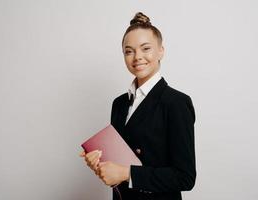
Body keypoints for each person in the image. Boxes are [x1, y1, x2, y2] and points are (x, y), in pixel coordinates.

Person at [80, 12, 196, 200]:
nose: (137, 57)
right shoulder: (119, 104)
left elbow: (185, 177)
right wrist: (101, 166)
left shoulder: (176, 102)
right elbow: (117, 169)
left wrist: (127, 174)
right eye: (129, 51)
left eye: (145, 48)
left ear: (161, 51)